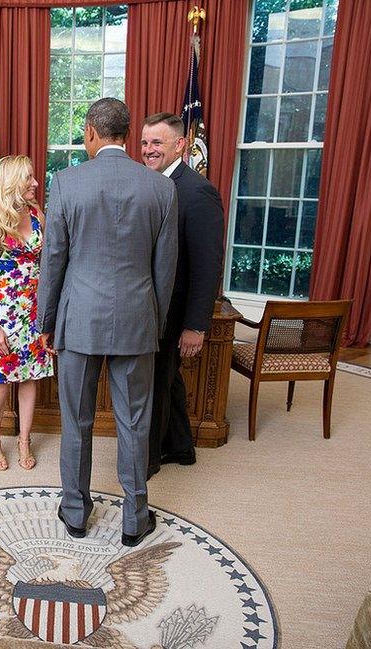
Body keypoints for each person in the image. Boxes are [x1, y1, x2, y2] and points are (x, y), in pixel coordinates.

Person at [37, 98, 178, 547]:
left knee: (75, 418)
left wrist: (46, 320)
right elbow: (165, 269)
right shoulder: (159, 187)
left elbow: (53, 259)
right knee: (134, 422)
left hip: (78, 320)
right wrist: (152, 322)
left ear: (93, 133)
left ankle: (75, 513)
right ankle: (135, 519)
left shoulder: (66, 183)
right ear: (125, 134)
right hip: (137, 321)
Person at [140, 113, 224, 478]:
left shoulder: (197, 191)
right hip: (150, 304)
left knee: (155, 382)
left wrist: (195, 325)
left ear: (180, 145)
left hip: (175, 311)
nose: (148, 150)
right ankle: (180, 447)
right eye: (144, 143)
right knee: (167, 378)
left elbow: (208, 266)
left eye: (157, 143)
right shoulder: (147, 184)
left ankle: (149, 459)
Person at [0, 154, 55, 472]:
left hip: (33, 315)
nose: (36, 183)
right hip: (3, 317)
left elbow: (47, 267)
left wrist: (49, 316)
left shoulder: (37, 216)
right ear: (11, 183)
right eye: (29, 178)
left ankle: (24, 440)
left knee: (30, 379)